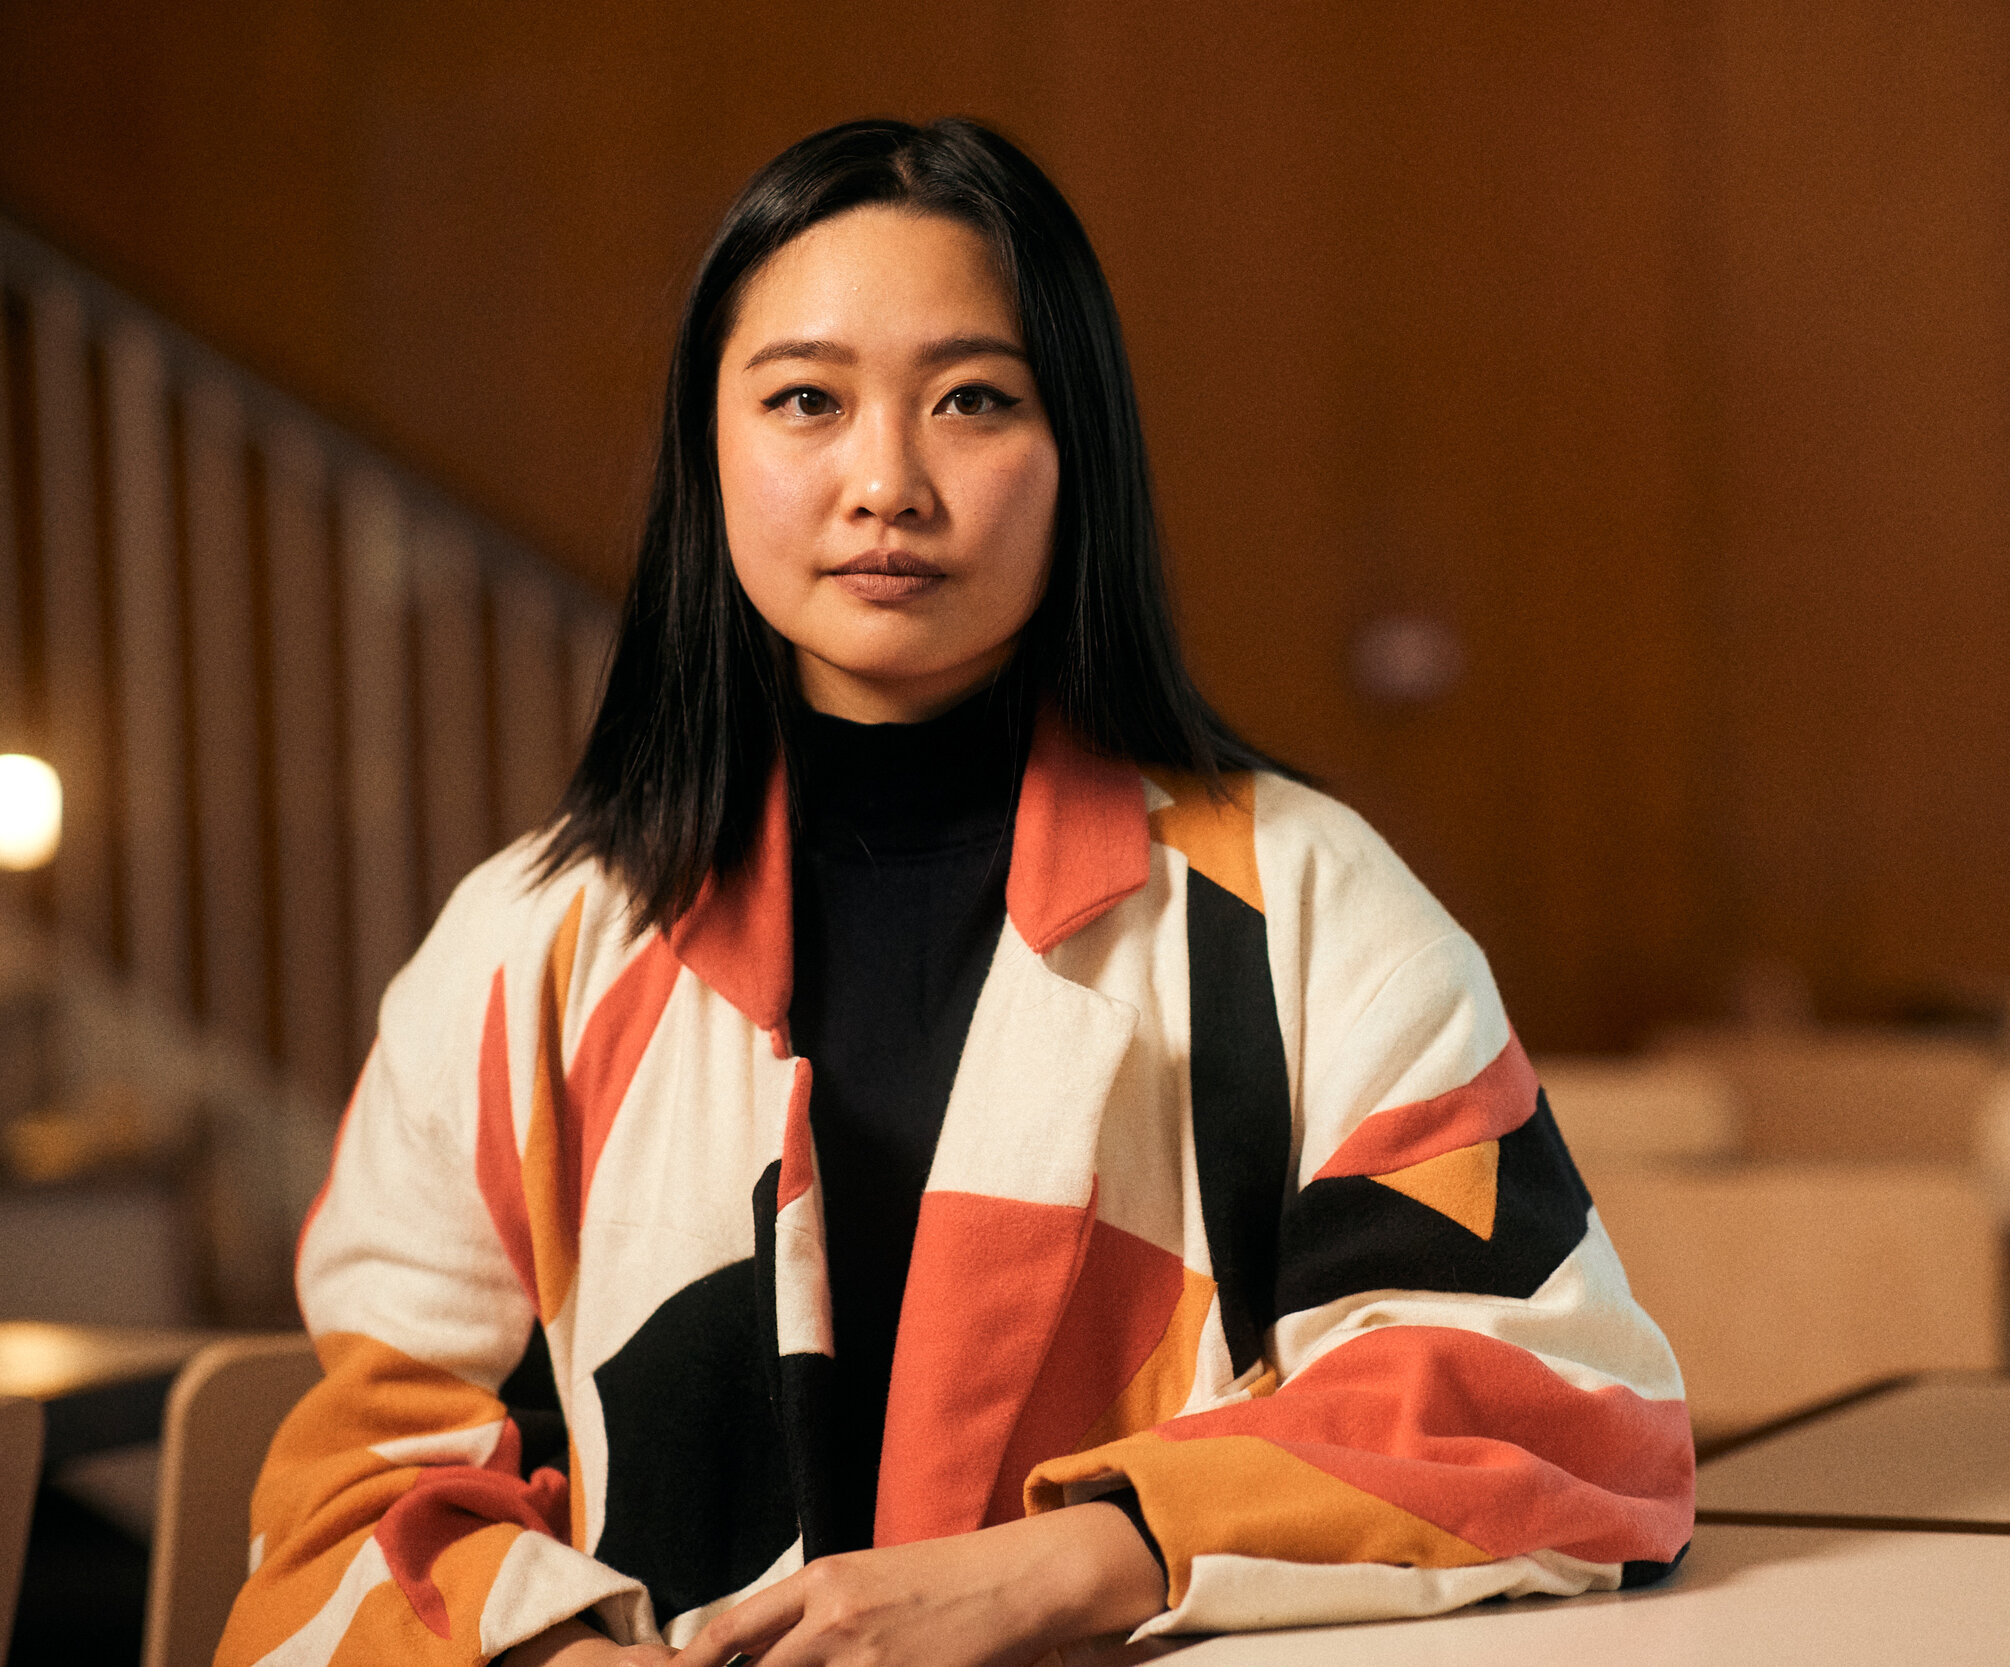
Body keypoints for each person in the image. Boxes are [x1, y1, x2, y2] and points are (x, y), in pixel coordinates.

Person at [217, 118, 1693, 1667]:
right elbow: (357, 1496)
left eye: (974, 400)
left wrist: (1092, 1555)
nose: (886, 482)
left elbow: (1559, 1413)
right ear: (709, 448)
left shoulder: (1303, 904)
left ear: (1080, 455)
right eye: (805, 400)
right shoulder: (533, 948)